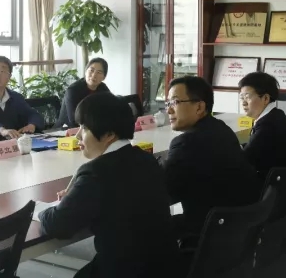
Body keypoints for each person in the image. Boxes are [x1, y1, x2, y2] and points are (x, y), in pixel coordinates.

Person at [39, 92, 178, 278]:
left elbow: (59, 225)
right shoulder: (147, 159)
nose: (78, 135)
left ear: (109, 134)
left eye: (85, 128)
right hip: (166, 268)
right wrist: (76, 199)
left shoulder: (95, 173)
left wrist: (44, 211)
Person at [161, 76, 260, 241]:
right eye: (168, 103)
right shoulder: (221, 128)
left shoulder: (186, 143)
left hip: (208, 231)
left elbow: (162, 190)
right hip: (237, 228)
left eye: (175, 102)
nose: (169, 110)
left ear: (199, 107)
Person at [238, 72, 286, 179]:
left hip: (269, 183)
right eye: (241, 97)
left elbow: (245, 159)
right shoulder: (276, 114)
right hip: (280, 180)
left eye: (247, 97)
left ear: (266, 99)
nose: (243, 102)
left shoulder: (267, 124)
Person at [57, 58, 110, 128]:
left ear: (104, 77)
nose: (94, 75)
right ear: (85, 72)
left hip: (92, 128)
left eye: (99, 72)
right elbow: (74, 120)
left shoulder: (103, 89)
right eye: (91, 70)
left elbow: (110, 111)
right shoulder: (73, 90)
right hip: (66, 129)